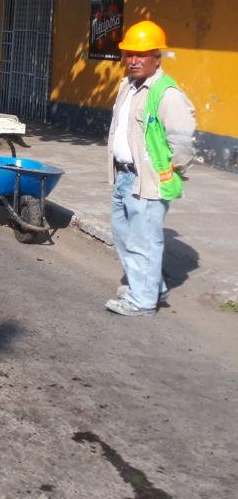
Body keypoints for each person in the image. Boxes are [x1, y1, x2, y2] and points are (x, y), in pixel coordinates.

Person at [104, 21, 196, 317]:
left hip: (148, 180)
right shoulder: (128, 87)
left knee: (144, 241)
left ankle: (141, 302)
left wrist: (169, 170)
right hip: (124, 177)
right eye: (129, 54)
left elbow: (182, 144)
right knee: (124, 236)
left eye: (141, 55)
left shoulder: (167, 93)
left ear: (157, 57)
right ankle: (148, 285)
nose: (133, 60)